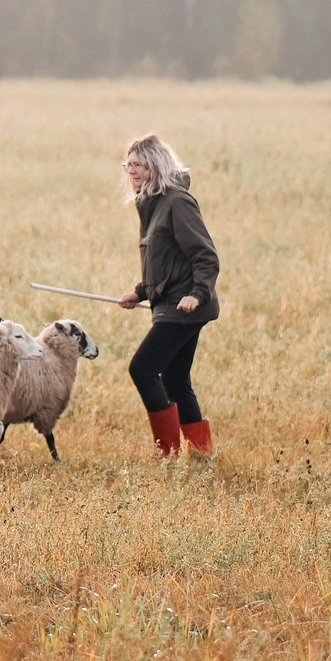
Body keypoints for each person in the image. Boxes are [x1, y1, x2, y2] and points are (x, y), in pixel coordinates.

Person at [115, 133, 218, 459]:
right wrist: (141, 291)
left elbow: (205, 255)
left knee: (142, 369)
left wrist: (197, 294)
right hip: (170, 302)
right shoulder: (151, 203)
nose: (131, 172)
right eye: (127, 165)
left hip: (184, 307)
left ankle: (168, 453)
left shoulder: (176, 202)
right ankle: (201, 456)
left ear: (155, 166)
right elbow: (163, 258)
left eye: (138, 165)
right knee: (175, 380)